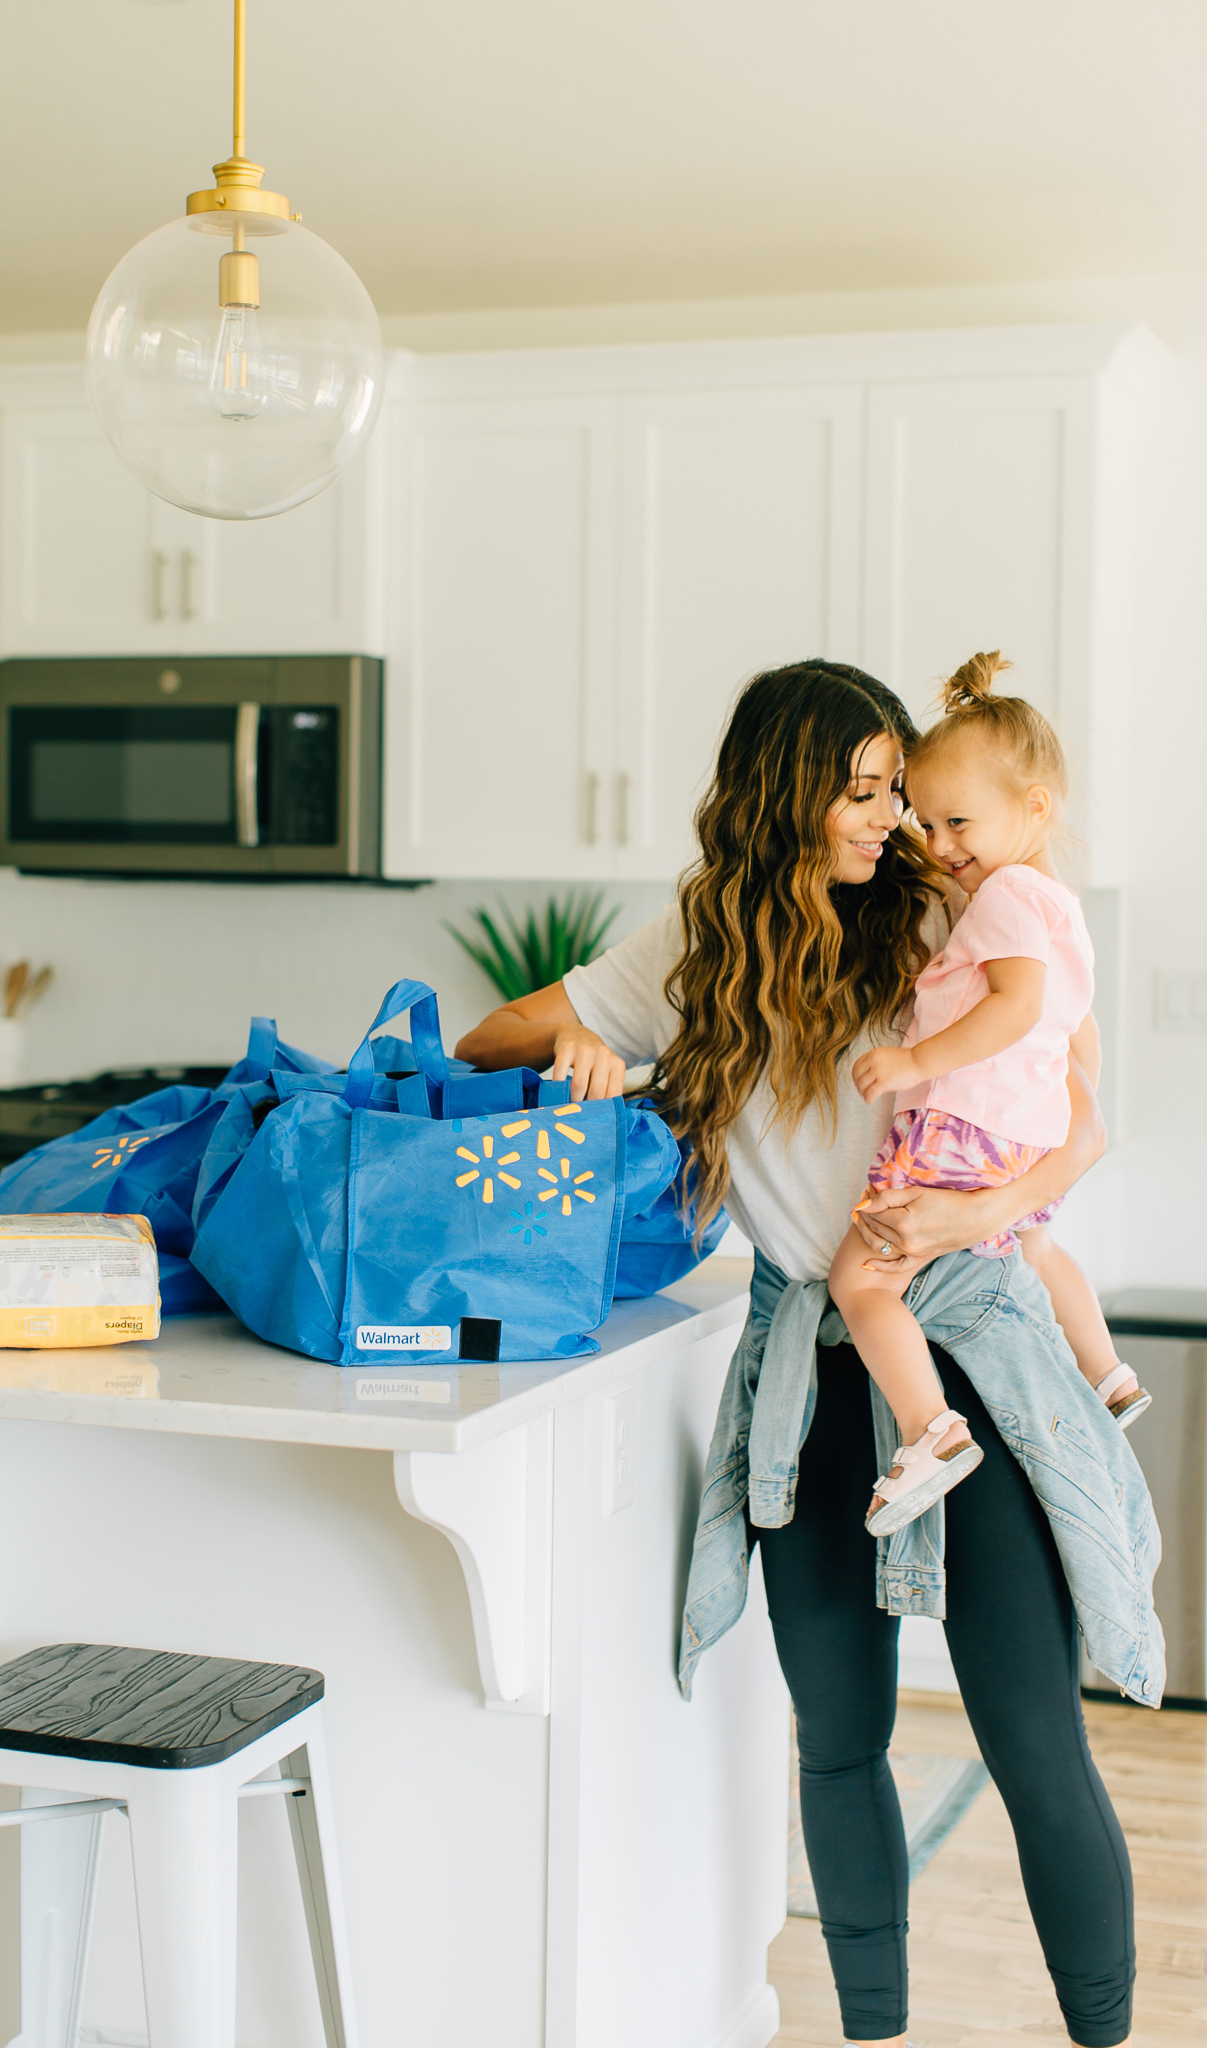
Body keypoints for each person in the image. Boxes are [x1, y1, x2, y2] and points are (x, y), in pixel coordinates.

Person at [456, 659, 1146, 2048]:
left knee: (1033, 1741)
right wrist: (575, 1047)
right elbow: (490, 1040)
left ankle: (1105, 2032)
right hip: (808, 1379)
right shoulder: (694, 949)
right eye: (866, 787)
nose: (894, 818)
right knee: (837, 1748)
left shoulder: (944, 912)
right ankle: (870, 2032)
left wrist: (979, 1209)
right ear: (786, 793)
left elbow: (1082, 1117)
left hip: (968, 1351)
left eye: (902, 788)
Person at [828, 652, 1149, 1539]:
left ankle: (929, 1432)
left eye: (957, 820)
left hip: (958, 1127)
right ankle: (1107, 1376)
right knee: (1037, 1249)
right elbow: (1072, 1034)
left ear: (1034, 807)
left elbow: (1016, 1006)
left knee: (860, 1279)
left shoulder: (1004, 895)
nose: (938, 847)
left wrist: (909, 1060)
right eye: (925, 824)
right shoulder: (1054, 902)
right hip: (1018, 1134)